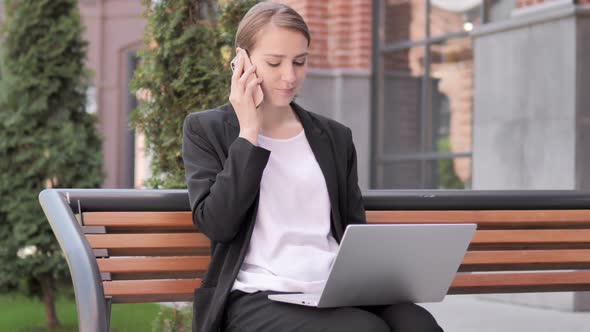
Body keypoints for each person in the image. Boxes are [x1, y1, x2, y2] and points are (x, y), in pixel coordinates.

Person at [182, 2, 443, 332]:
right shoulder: (206, 129)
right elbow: (217, 224)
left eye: (300, 62)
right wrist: (248, 133)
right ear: (242, 61)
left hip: (332, 288)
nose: (289, 76)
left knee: (418, 324)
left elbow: (352, 228)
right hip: (257, 294)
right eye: (274, 63)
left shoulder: (333, 137)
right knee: (363, 330)